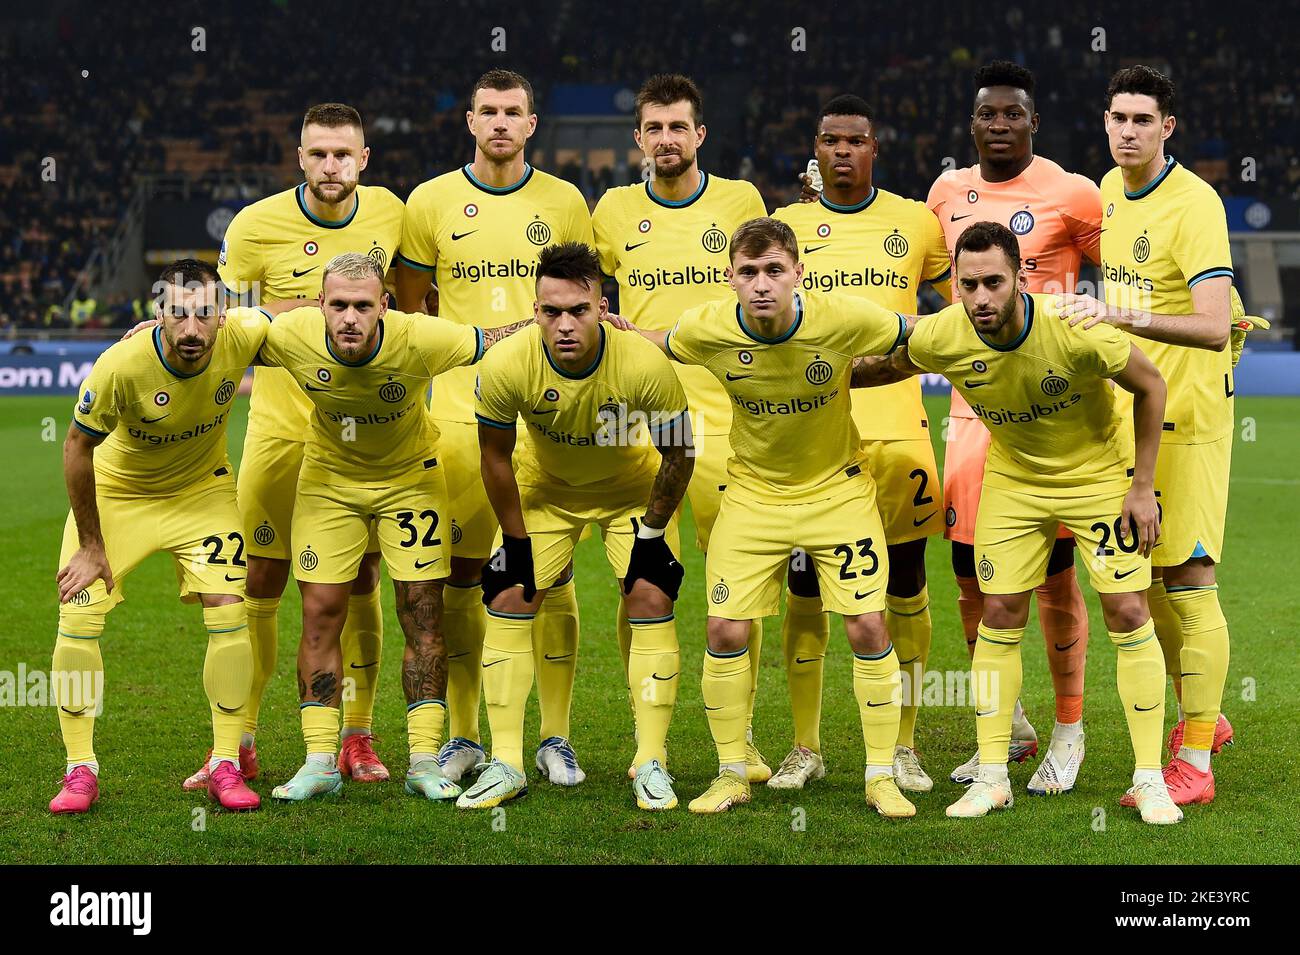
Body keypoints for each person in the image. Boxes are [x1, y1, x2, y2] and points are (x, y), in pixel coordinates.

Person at [854, 221, 1180, 824]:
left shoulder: (1075, 329)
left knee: (1128, 611)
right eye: (968, 284)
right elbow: (888, 365)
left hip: (1096, 477)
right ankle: (993, 774)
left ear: (1021, 279)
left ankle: (1149, 778)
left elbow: (1151, 385)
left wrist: (1141, 487)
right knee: (998, 611)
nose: (980, 298)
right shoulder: (945, 335)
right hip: (1014, 481)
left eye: (993, 284)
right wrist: (814, 373)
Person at [638, 217, 921, 818]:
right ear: (730, 278)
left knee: (868, 626)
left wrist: (1006, 315)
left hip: (838, 494)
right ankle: (731, 773)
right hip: (752, 496)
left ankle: (879, 776)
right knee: (724, 632)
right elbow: (655, 341)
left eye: (774, 271)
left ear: (798, 272)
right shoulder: (708, 328)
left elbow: (917, 330)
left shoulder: (842, 317)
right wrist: (607, 327)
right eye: (748, 273)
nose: (762, 284)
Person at [258, 253, 530, 802]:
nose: (350, 318)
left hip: (412, 481)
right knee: (319, 614)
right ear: (321, 305)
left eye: (363, 305)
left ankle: (425, 760)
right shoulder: (291, 334)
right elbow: (222, 329)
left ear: (384, 305)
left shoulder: (421, 337)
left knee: (422, 614)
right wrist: (155, 325)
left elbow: (495, 337)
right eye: (338, 305)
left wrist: (571, 321)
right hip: (328, 483)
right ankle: (318, 762)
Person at [190, 102, 405, 790]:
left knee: (361, 578)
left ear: (364, 159)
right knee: (259, 579)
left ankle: (357, 735)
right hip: (279, 430)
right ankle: (240, 740)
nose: (331, 165)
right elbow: (226, 321)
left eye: (344, 153)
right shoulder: (254, 226)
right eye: (319, 153)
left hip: (363, 433)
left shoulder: (393, 215)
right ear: (300, 157)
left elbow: (406, 308)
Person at [395, 70, 596, 787]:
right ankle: (463, 735)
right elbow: (413, 311)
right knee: (462, 575)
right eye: (489, 111)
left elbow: (583, 300)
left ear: (533, 123)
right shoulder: (430, 201)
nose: (501, 122)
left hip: (546, 415)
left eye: (515, 111)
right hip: (456, 412)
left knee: (552, 572)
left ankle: (555, 736)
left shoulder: (566, 201)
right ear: (470, 121)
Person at [1057, 65, 1240, 805]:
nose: (1128, 130)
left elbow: (1212, 322)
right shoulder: (1106, 189)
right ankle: (1208, 710)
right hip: (1135, 410)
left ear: (1168, 128)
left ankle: (1195, 759)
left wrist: (1119, 317)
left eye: (1143, 119)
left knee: (1189, 577)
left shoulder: (1196, 203)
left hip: (1189, 417)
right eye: (1118, 117)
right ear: (1105, 122)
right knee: (1150, 574)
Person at [462, 242, 694, 810]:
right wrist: (515, 541)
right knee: (509, 593)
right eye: (551, 312)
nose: (564, 324)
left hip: (630, 493)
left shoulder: (643, 363)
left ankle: (651, 761)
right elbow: (494, 457)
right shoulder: (507, 362)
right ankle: (507, 763)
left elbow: (680, 453)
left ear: (602, 305)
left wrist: (653, 533)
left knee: (650, 595)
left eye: (578, 311)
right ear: (535, 309)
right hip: (546, 491)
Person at [925, 61, 1103, 793]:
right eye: (987, 115)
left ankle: (1070, 729)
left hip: (1052, 413)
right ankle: (1010, 726)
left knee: (1057, 579)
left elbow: (1123, 274)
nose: (1000, 124)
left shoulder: (1073, 193)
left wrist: (1097, 312)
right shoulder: (946, 193)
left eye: (1013, 114)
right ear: (971, 125)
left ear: (1034, 122)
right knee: (972, 577)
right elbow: (933, 278)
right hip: (973, 408)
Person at [769, 94, 952, 792]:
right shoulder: (785, 227)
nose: (843, 150)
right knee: (807, 588)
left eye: (856, 140)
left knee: (905, 582)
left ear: (876, 147)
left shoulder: (915, 222)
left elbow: (960, 301)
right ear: (815, 151)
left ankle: (904, 745)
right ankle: (806, 745)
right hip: (811, 440)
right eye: (830, 140)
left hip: (901, 430)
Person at [591, 74, 771, 781]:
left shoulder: (741, 202)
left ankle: (741, 737)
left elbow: (761, 297)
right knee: (641, 581)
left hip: (731, 421)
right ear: (638, 139)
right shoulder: (609, 210)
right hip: (641, 422)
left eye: (679, 127)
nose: (667, 139)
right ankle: (650, 744)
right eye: (654, 128)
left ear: (701, 135)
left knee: (740, 588)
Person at [50, 260, 267, 814]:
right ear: (157, 314)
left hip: (203, 493)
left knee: (229, 611)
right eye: (177, 314)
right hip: (118, 496)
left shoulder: (243, 333)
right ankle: (79, 769)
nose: (191, 329)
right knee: (77, 616)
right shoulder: (121, 364)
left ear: (224, 316)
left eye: (204, 315)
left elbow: (289, 313)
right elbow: (76, 446)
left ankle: (224, 761)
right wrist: (92, 545)